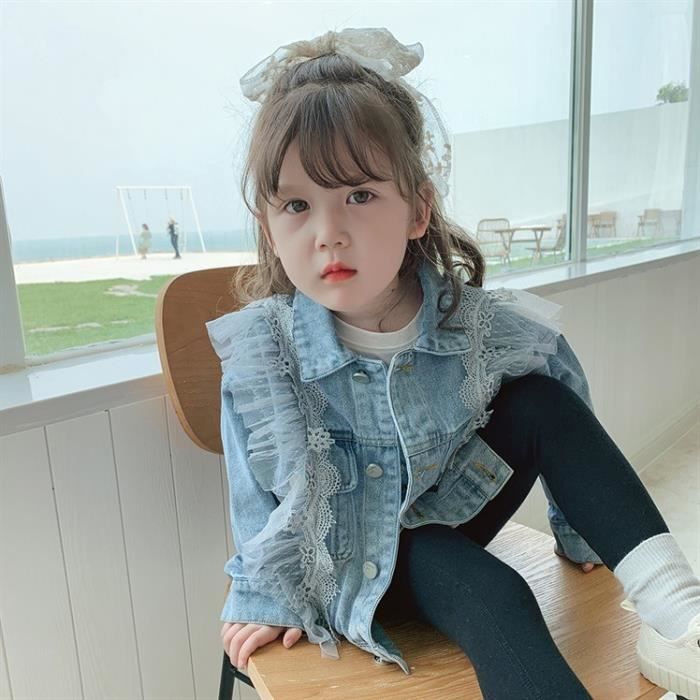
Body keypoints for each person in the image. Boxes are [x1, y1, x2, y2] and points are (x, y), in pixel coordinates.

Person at [205, 28, 700, 699]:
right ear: (268, 226)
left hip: (451, 510)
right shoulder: (269, 352)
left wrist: (580, 533)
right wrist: (267, 596)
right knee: (496, 593)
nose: (328, 234)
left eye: (359, 195)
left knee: (540, 400)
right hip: (350, 553)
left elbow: (564, 393)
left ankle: (679, 615)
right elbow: (253, 489)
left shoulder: (470, 323)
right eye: (296, 205)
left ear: (418, 209)